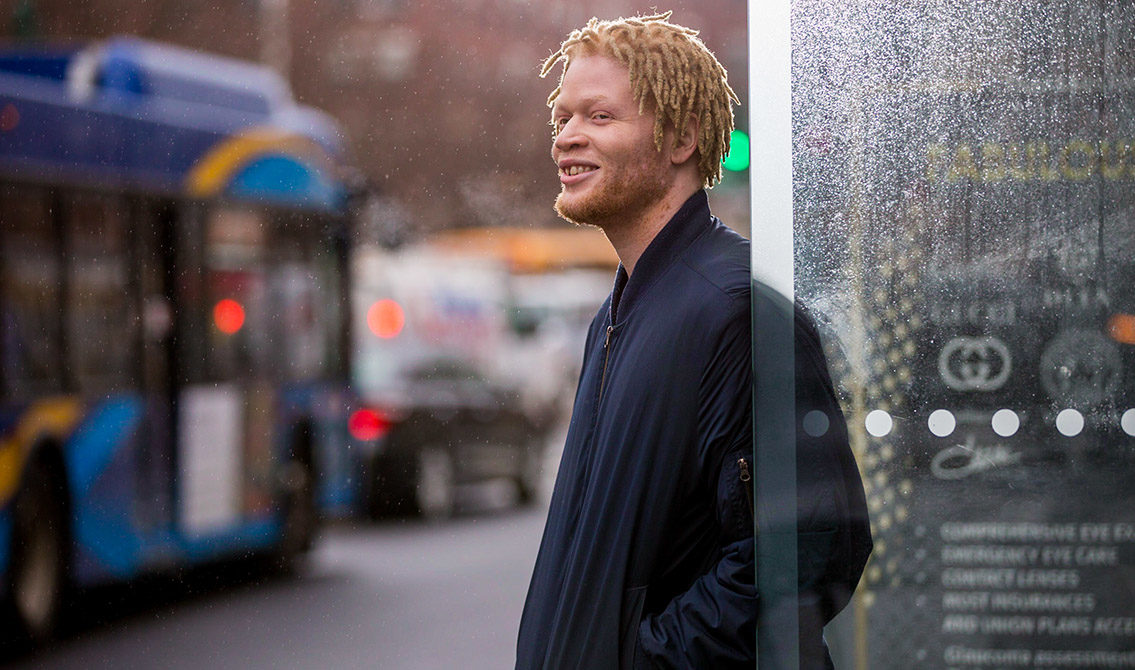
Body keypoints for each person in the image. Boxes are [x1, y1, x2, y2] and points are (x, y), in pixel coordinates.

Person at [516, 12, 871, 669]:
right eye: (561, 118)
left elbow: (812, 544)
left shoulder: (730, 310)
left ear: (680, 138)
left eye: (598, 117)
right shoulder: (618, 314)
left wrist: (642, 659)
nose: (566, 138)